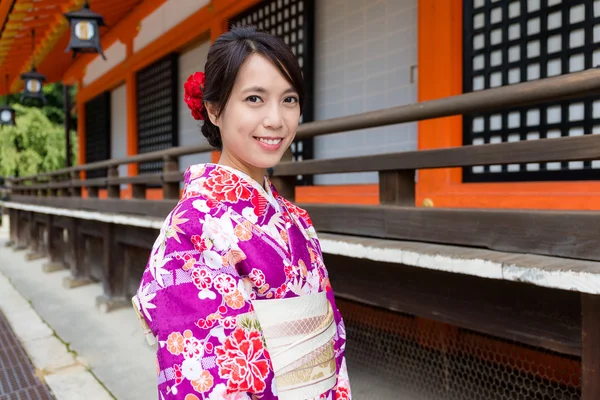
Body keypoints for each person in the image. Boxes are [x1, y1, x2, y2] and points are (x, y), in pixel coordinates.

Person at [132, 26, 352, 400]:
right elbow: (212, 377)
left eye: (289, 99)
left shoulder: (295, 218)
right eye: (254, 98)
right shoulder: (192, 227)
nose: (276, 120)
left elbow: (332, 343)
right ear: (215, 109)